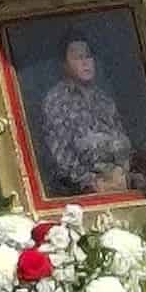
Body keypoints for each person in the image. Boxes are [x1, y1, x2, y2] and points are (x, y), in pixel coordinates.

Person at [38, 33, 138, 194]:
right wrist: (91, 183)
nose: (85, 63)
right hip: (83, 191)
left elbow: (123, 141)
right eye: (78, 58)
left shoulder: (104, 100)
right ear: (64, 65)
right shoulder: (56, 100)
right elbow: (60, 156)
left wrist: (123, 175)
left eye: (88, 57)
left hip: (120, 183)